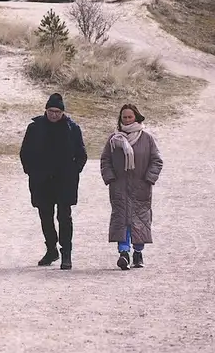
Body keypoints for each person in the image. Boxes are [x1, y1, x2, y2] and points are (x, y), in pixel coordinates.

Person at [19, 92, 87, 270]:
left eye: (57, 111)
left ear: (63, 112)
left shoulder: (72, 128)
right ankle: (51, 249)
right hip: (41, 180)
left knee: (64, 217)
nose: (54, 114)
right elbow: (25, 152)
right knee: (45, 216)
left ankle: (66, 254)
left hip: (64, 181)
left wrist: (73, 172)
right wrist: (31, 171)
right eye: (51, 111)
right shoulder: (35, 128)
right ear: (45, 110)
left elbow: (81, 155)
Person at [101, 103, 163, 270]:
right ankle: (123, 253)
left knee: (139, 220)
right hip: (119, 188)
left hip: (141, 187)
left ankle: (138, 252)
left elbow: (157, 161)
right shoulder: (114, 140)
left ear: (136, 117)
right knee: (122, 220)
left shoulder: (147, 138)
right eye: (124, 117)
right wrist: (110, 178)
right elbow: (105, 160)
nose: (127, 120)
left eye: (130, 117)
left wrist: (149, 179)